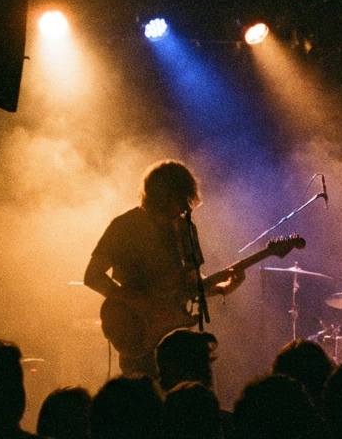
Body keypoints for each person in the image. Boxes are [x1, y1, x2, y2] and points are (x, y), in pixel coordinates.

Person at [84, 161, 245, 377]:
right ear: (164, 195)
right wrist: (138, 302)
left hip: (176, 340)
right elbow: (92, 276)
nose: (185, 205)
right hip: (138, 330)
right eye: (180, 197)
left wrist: (222, 287)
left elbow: (190, 286)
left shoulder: (185, 229)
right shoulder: (124, 226)